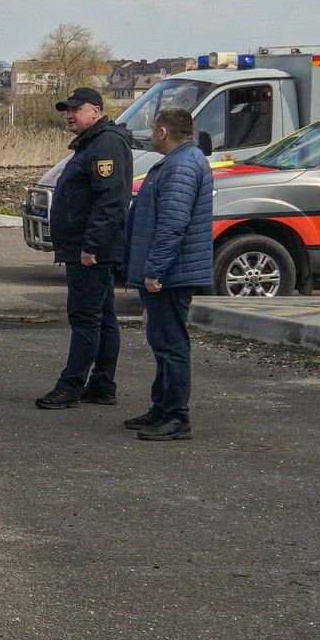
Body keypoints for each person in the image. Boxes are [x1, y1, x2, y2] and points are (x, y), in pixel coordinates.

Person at [37, 86, 133, 410]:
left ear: (96, 110)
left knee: (85, 319)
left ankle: (70, 386)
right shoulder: (93, 144)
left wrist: (91, 246)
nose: (70, 115)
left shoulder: (105, 145)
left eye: (76, 109)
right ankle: (102, 384)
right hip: (87, 249)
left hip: (90, 252)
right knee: (103, 317)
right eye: (67, 110)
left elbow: (111, 202)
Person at [124, 107, 213, 440]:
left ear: (163, 132)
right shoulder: (179, 162)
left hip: (172, 273)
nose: (151, 133)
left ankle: (176, 416)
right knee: (162, 342)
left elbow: (173, 224)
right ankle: (161, 408)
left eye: (153, 128)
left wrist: (155, 269)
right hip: (170, 270)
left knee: (171, 345)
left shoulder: (182, 166)